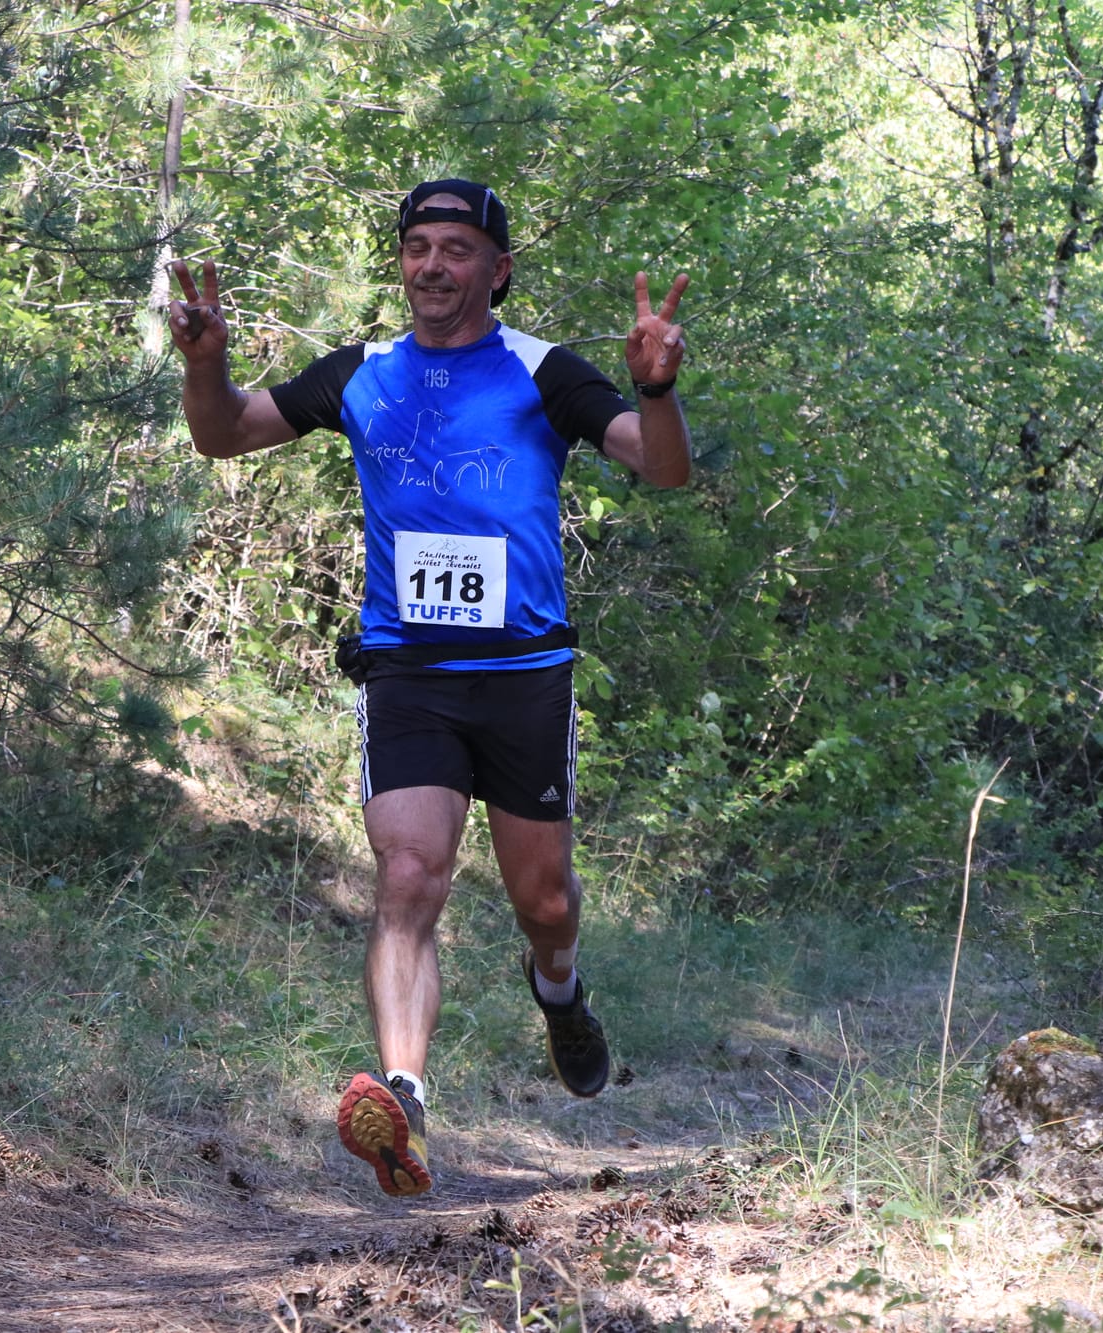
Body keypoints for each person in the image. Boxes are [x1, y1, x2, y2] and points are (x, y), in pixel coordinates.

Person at [165, 179, 691, 1198]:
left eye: (456, 248)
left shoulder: (542, 373)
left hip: (523, 676)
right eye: (417, 247)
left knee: (541, 901)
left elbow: (659, 470)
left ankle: (560, 989)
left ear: (496, 269)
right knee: (408, 874)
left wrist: (657, 391)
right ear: (400, 262)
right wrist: (207, 363)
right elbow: (225, 432)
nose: (433, 265)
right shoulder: (361, 375)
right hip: (407, 671)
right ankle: (401, 1095)